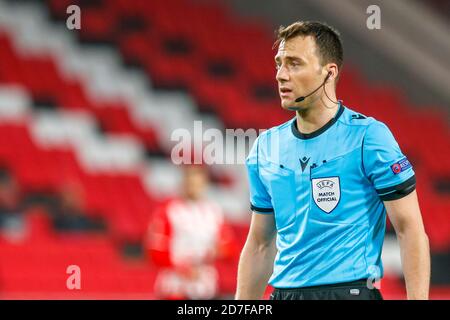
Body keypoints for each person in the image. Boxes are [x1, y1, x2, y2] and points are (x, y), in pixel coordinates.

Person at [236, 21, 430, 300]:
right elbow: (260, 244)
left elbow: (409, 229)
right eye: (279, 63)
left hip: (349, 293)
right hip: (284, 295)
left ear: (329, 73)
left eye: (294, 63)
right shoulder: (265, 148)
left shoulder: (369, 137)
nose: (280, 74)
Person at [146, 162, 235, 299]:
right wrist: (183, 269)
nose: (194, 187)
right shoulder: (169, 210)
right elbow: (155, 251)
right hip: (176, 286)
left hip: (206, 286)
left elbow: (229, 247)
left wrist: (219, 250)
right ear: (183, 183)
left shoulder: (213, 211)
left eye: (198, 183)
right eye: (190, 182)